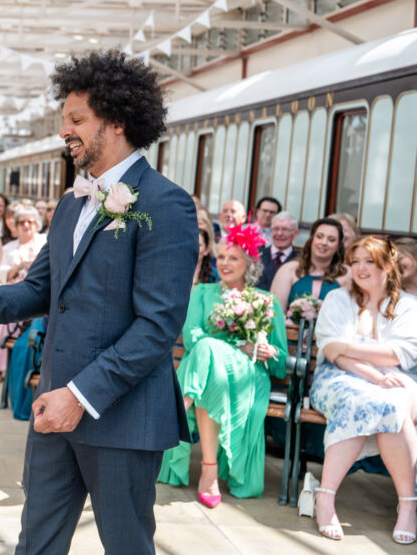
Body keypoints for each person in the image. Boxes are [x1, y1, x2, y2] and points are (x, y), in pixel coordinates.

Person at [0, 50, 197, 555]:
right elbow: (39, 291)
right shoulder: (70, 202)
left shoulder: (166, 203)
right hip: (52, 409)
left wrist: (79, 396)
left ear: (118, 121)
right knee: (36, 544)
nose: (66, 131)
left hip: (118, 416)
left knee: (127, 547)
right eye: (65, 120)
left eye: (77, 119)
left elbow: (158, 326)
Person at [157, 223, 287, 503]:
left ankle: (177, 411)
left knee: (207, 355)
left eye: (233, 258)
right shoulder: (202, 292)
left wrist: (264, 349)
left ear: (249, 262)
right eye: (221, 257)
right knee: (207, 356)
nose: (224, 264)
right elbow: (192, 337)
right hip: (209, 373)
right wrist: (240, 344)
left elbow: (281, 360)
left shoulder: (265, 301)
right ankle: (208, 470)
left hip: (246, 377)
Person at [309, 237, 417, 544]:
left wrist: (346, 346)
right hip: (338, 377)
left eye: (369, 261)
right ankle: (326, 498)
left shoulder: (409, 306)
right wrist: (371, 371)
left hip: (396, 377)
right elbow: (331, 353)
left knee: (395, 404)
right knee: (361, 400)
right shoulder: (338, 299)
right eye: (355, 261)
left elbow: (398, 355)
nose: (360, 268)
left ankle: (408, 505)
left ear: (388, 265)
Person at [0, 205, 46, 384]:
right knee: (6, 320)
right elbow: (1, 273)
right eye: (22, 222)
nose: (26, 225)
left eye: (30, 221)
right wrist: (19, 267)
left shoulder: (45, 243)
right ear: (16, 225)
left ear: (37, 224)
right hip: (17, 293)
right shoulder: (10, 248)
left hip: (40, 296)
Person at [271, 217, 348, 312]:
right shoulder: (288, 269)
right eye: (319, 237)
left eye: (331, 240)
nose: (324, 243)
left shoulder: (348, 274)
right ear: (311, 240)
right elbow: (275, 312)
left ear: (339, 246)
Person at [257, 212, 298, 291]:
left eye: (285, 229)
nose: (279, 233)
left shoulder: (300, 260)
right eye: (276, 229)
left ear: (295, 234)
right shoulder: (257, 254)